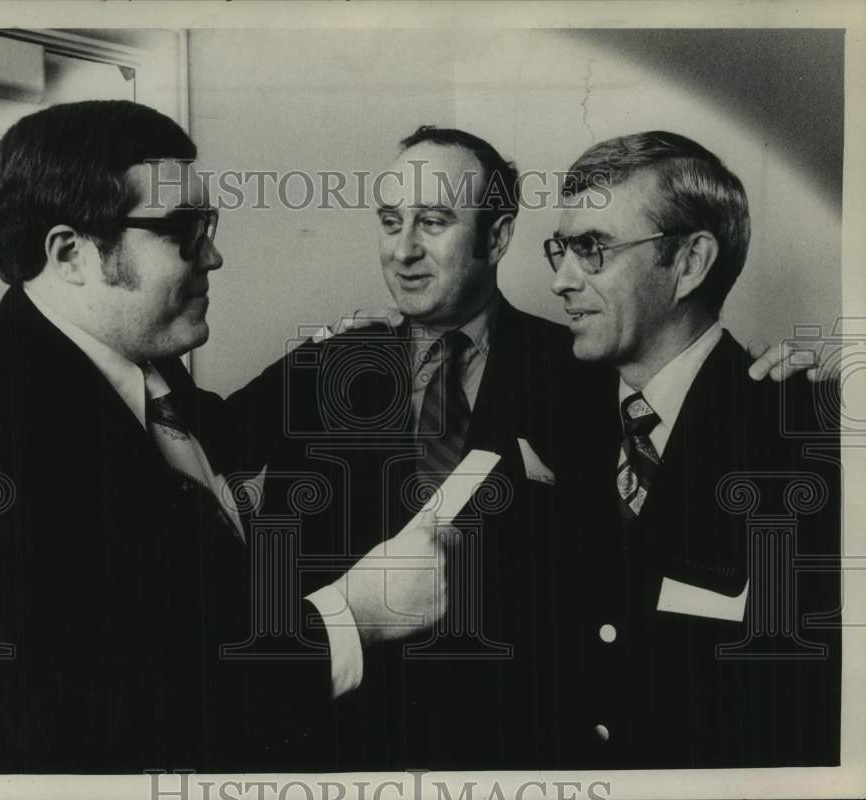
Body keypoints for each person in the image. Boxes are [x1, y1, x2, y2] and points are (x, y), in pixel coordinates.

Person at [0, 100, 452, 774]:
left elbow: (201, 440)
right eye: (185, 230)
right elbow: (71, 723)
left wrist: (332, 356)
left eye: (208, 224)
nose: (213, 255)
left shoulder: (137, 366)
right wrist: (352, 617)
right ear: (71, 253)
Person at [228, 126, 811, 769]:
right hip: (340, 745)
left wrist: (803, 384)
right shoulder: (327, 366)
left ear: (497, 237)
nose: (403, 250)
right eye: (390, 221)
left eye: (434, 221)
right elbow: (188, 454)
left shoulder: (584, 370)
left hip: (513, 750)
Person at [543, 130, 841, 767]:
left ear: (690, 263)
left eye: (592, 250)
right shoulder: (556, 413)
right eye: (561, 250)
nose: (561, 281)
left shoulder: (810, 435)